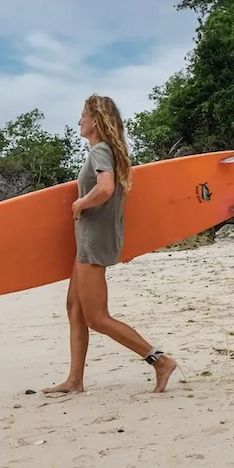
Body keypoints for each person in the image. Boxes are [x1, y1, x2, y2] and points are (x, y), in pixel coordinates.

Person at [43, 94, 178, 395]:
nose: (79, 121)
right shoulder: (107, 152)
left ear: (95, 121)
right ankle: (74, 380)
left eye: (82, 115)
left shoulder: (100, 151)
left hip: (93, 242)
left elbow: (105, 189)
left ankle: (160, 361)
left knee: (97, 318)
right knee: (74, 309)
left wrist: (80, 203)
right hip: (90, 240)